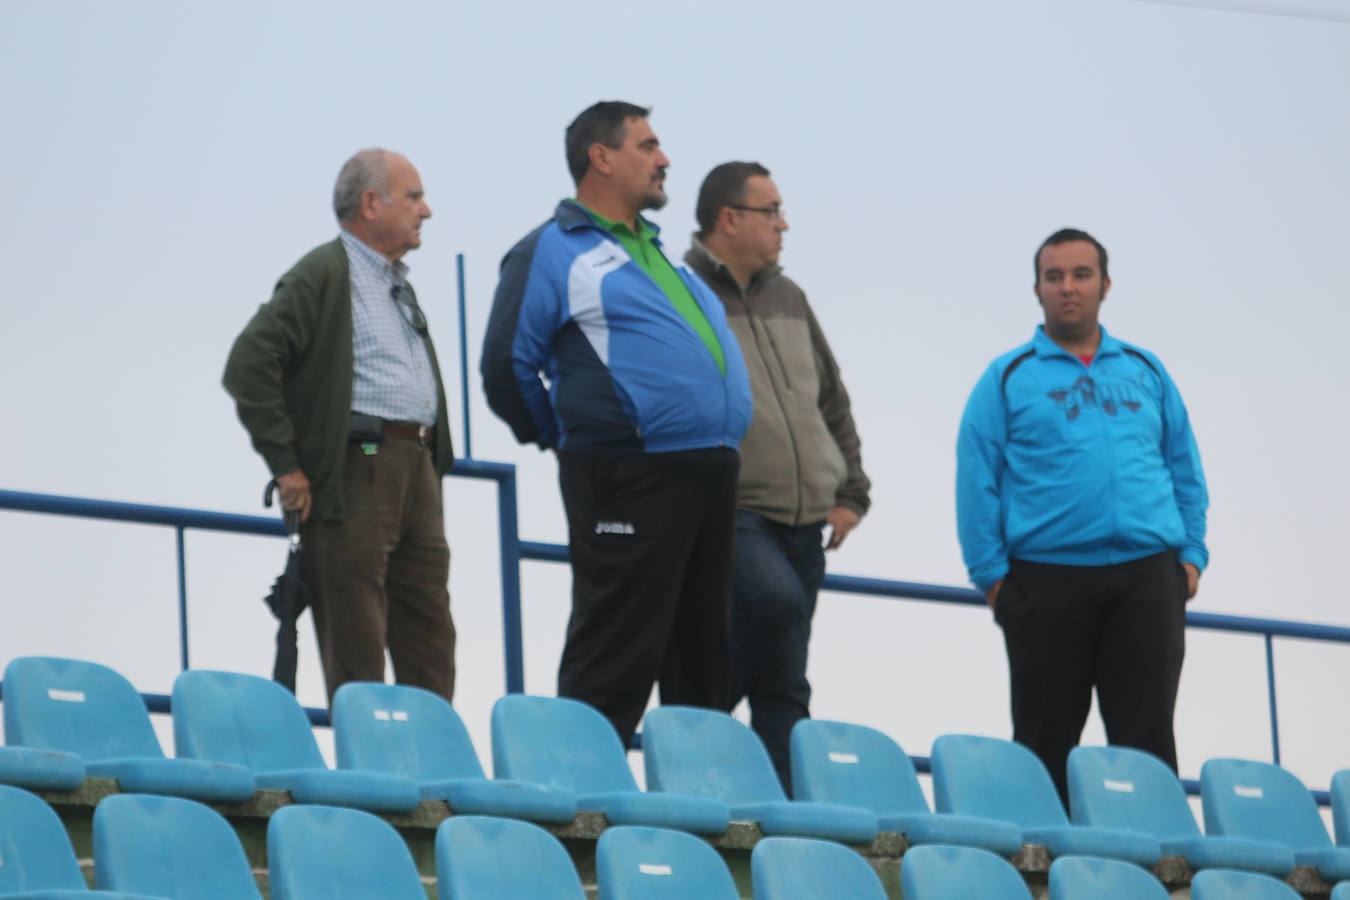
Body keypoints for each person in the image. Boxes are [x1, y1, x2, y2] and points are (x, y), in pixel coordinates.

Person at [480, 102, 752, 746]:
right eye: (648, 146)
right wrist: (566, 439)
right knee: (615, 653)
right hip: (627, 473)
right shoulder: (552, 249)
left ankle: (700, 813)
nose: (664, 160)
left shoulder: (659, 252)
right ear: (600, 157)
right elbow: (504, 366)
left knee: (703, 661)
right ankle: (572, 812)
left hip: (707, 472)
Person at [956, 227, 1209, 802]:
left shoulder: (1146, 370)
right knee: (1044, 746)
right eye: (1054, 277)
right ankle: (1044, 883)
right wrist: (993, 580)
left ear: (1105, 285)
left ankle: (1152, 877)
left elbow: (1184, 468)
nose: (1067, 288)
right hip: (1044, 582)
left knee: (1145, 742)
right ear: (1038, 289)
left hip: (1149, 577)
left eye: (1081, 275)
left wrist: (1190, 559)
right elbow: (976, 481)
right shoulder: (1007, 377)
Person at [223, 148, 456, 703]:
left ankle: (434, 774)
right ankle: (370, 779)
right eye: (414, 196)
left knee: (430, 627)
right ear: (371, 204)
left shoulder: (393, 281)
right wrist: (287, 465)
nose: (427, 211)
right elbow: (249, 363)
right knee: (357, 627)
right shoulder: (326, 272)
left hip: (413, 465)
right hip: (359, 465)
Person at [683, 162, 870, 791]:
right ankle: (693, 731)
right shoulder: (683, 292)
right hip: (733, 511)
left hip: (805, 519)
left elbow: (831, 397)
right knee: (774, 602)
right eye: (772, 210)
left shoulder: (790, 296)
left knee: (786, 686)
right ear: (729, 218)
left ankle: (784, 819)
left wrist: (850, 493)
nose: (784, 224)